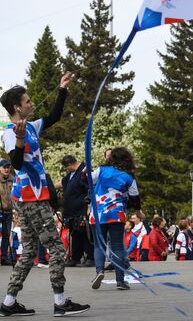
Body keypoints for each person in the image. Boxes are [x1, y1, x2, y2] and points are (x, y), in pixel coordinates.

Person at [0, 75, 90, 316]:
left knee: (29, 252)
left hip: (33, 196)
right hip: (30, 197)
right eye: (28, 101)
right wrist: (19, 140)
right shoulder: (10, 133)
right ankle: (60, 302)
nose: (32, 103)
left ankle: (8, 303)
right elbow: (17, 164)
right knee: (57, 249)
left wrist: (61, 89)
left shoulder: (31, 126)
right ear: (18, 107)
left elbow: (54, 117)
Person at [89, 146, 141, 291]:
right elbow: (135, 198)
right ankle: (120, 281)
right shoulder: (128, 177)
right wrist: (138, 211)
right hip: (116, 213)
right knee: (117, 245)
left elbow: (85, 179)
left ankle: (99, 271)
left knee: (99, 245)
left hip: (98, 213)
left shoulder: (101, 170)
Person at [60, 155, 94, 267]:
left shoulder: (85, 171)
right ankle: (75, 257)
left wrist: (89, 206)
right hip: (72, 210)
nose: (66, 169)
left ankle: (90, 257)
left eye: (66, 167)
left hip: (82, 208)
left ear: (70, 164)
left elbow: (90, 189)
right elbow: (62, 183)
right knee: (75, 233)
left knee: (86, 233)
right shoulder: (71, 174)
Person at [0, 159, 13, 266]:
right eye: (4, 167)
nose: (7, 169)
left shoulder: (13, 179)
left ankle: (4, 257)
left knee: (6, 235)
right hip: (0, 210)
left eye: (8, 167)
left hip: (8, 211)